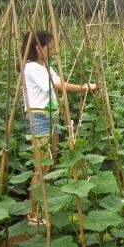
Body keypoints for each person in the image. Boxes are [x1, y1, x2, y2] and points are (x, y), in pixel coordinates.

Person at [21, 30, 97, 225]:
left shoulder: (45, 66)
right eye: (51, 48)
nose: (53, 52)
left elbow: (58, 83)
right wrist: (86, 88)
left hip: (50, 117)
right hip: (38, 118)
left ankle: (44, 209)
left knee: (49, 165)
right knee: (41, 167)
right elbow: (59, 85)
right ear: (38, 48)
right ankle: (33, 214)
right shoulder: (30, 67)